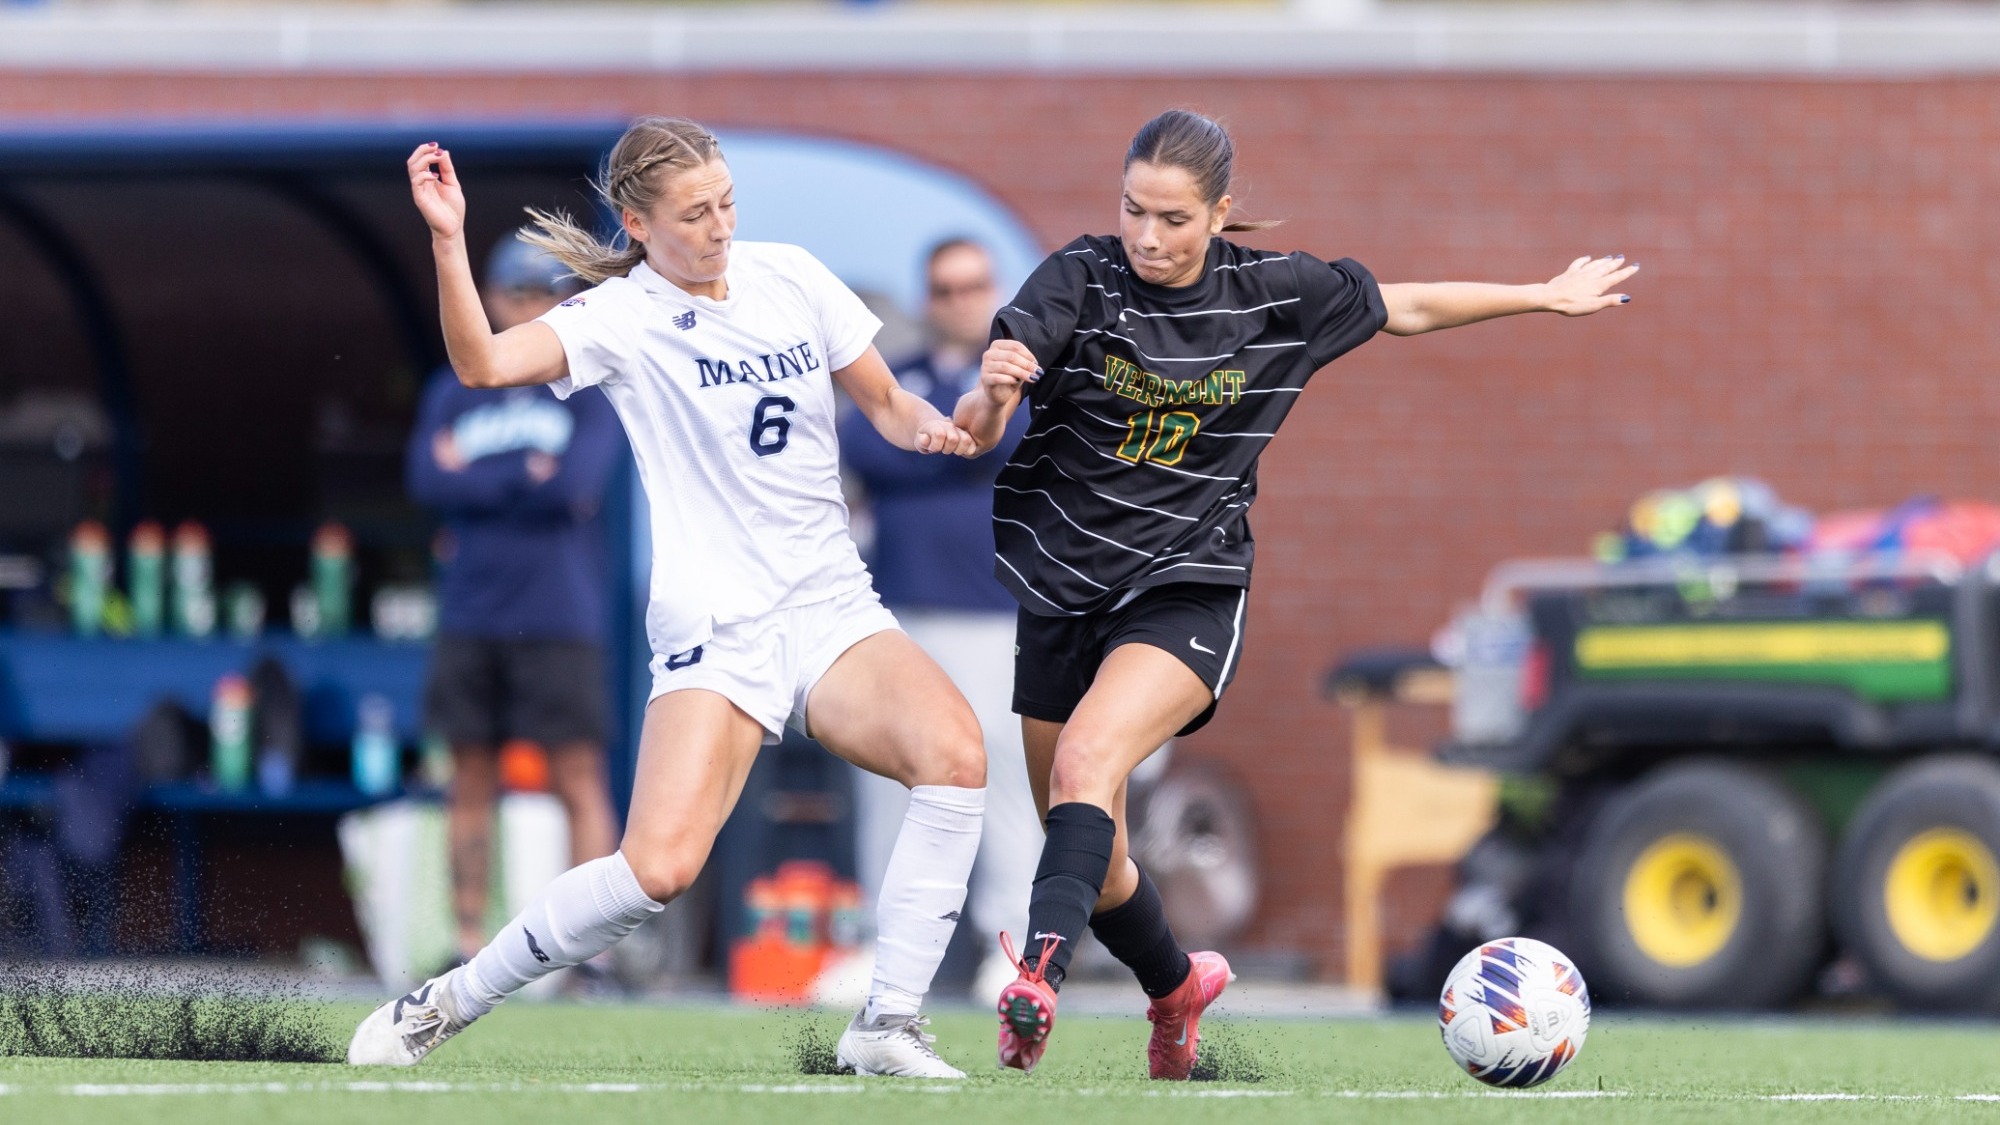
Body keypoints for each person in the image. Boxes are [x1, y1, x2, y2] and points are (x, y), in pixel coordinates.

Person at [952, 108, 1639, 1079]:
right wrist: (990, 390)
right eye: (1134, 211)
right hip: (1063, 590)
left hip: (1185, 587)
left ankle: (1037, 981)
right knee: (1096, 855)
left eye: (1174, 219)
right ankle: (1176, 989)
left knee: (1083, 767)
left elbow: (1405, 305)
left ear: (1219, 213)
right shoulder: (1080, 277)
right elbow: (991, 401)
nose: (1148, 237)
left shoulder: (1275, 297)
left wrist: (1539, 295)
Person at [351, 116, 989, 1079]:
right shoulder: (621, 317)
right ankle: (449, 998)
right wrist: (447, 238)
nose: (721, 225)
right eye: (696, 213)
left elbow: (889, 405)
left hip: (830, 605)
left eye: (727, 201)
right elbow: (482, 365)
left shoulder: (794, 277)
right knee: (657, 870)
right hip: (719, 630)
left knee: (956, 756)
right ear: (636, 223)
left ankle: (887, 1021)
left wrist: (942, 428)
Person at [405, 232, 624, 976]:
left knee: (577, 775)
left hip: (560, 611)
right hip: (471, 609)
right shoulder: (453, 386)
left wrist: (476, 475)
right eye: (517, 293)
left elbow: (573, 488)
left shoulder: (585, 386)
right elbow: (426, 484)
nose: (529, 306)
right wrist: (519, 477)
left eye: (543, 294)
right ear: (494, 297)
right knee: (467, 775)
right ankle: (465, 937)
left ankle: (585, 952)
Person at [838, 238, 1037, 1005]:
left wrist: (936, 444)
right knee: (888, 772)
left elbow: (1008, 444)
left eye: (972, 285)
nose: (960, 300)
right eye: (945, 289)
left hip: (995, 611)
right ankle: (879, 944)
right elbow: (868, 443)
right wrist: (960, 448)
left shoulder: (1025, 379)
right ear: (929, 298)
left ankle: (1010, 951)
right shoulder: (904, 377)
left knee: (1006, 777)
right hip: (900, 613)